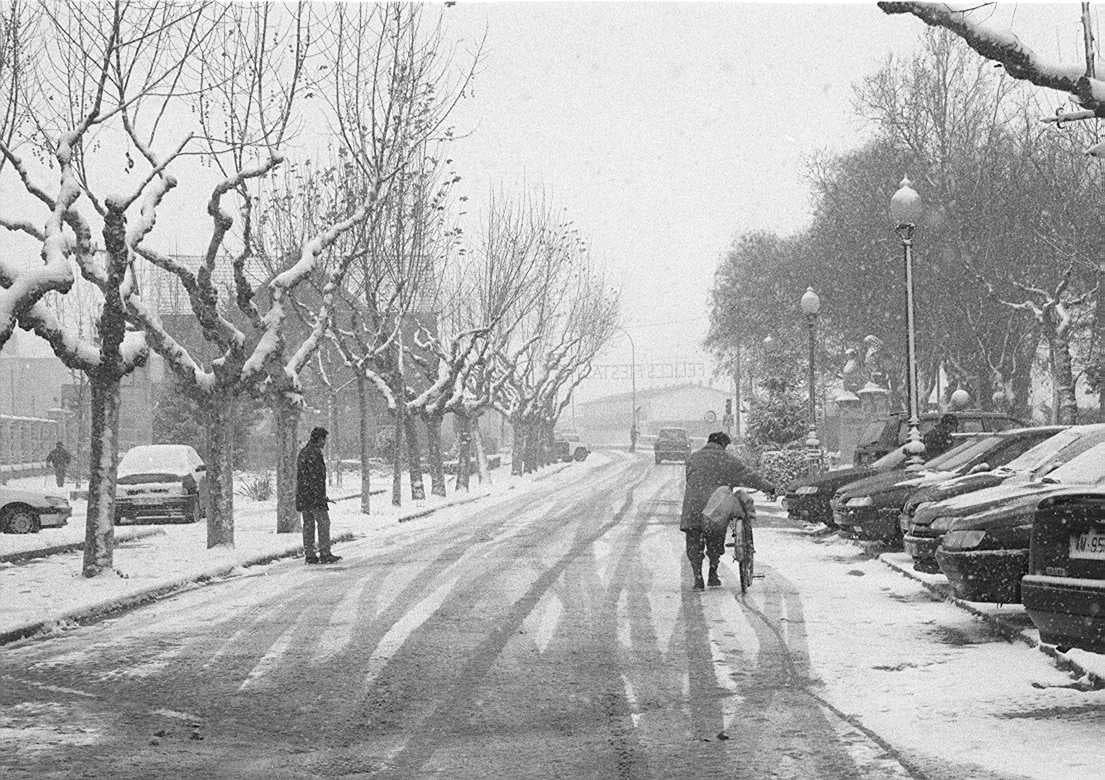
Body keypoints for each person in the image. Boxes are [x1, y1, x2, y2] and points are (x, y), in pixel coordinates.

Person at [680, 431, 776, 590]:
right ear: (723, 445)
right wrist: (769, 487)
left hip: (693, 507)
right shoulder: (728, 461)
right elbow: (750, 476)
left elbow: (691, 478)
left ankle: (697, 576)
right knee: (715, 535)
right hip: (716, 506)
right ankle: (713, 571)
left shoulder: (693, 459)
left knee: (694, 539)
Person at [296, 426, 341, 565]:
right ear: (320, 439)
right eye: (324, 439)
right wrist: (320, 496)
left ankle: (309, 554)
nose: (325, 442)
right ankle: (325, 553)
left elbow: (303, 477)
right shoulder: (315, 454)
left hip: (303, 496)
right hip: (314, 497)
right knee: (323, 523)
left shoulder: (303, 452)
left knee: (308, 525)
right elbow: (317, 479)